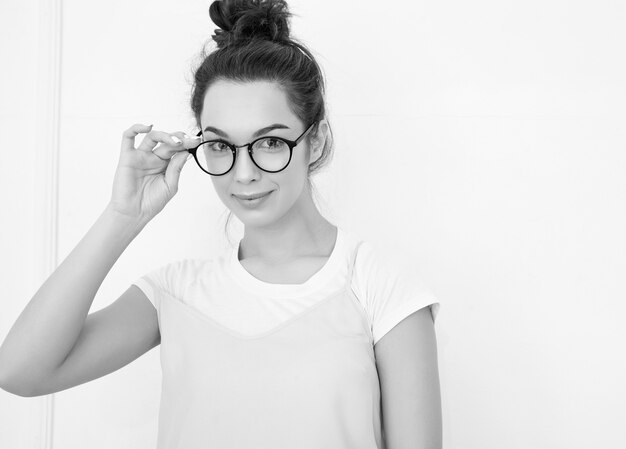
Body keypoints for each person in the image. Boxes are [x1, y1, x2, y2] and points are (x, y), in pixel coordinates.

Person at [0, 0, 442, 447]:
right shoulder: (175, 294)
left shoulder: (380, 291)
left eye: (270, 142)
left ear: (317, 139)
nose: (244, 173)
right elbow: (20, 371)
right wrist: (123, 216)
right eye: (220, 146)